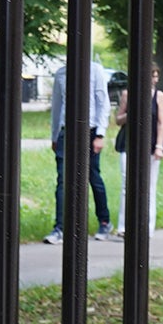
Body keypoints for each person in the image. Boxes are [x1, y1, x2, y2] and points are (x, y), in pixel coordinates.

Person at [45, 54, 112, 245]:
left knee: (92, 176)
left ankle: (104, 221)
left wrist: (100, 134)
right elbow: (57, 106)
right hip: (66, 132)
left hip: (89, 131)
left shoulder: (95, 70)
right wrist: (54, 135)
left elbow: (102, 102)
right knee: (63, 179)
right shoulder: (61, 74)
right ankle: (60, 227)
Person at [113, 62, 163, 239]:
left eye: (157, 76)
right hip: (129, 143)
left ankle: (147, 227)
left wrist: (159, 146)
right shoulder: (127, 94)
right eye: (152, 76)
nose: (155, 80)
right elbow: (118, 119)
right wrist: (132, 113)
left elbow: (161, 122)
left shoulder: (159, 96)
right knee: (127, 184)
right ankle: (123, 226)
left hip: (151, 145)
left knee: (149, 186)